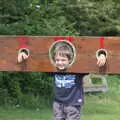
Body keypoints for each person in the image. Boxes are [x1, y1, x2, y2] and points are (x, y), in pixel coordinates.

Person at [17, 42, 107, 120]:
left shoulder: (78, 71)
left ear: (70, 60)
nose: (60, 62)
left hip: (73, 104)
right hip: (58, 103)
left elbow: (91, 63)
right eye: (57, 60)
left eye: (63, 60)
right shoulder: (53, 70)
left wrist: (102, 55)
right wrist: (24, 53)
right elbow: (37, 62)